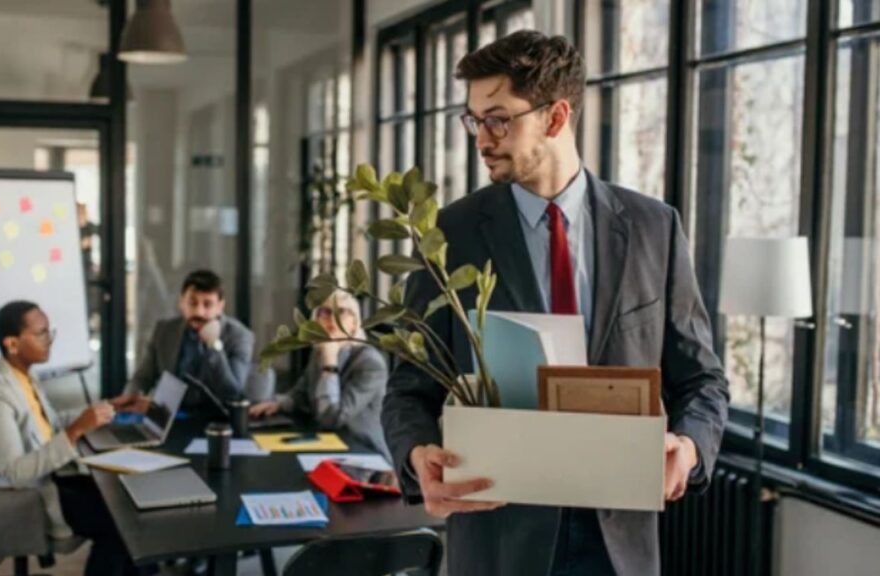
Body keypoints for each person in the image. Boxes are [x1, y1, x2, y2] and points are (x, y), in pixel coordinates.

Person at [382, 31, 729, 576]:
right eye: (473, 120)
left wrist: (688, 447)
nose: (482, 138)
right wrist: (416, 453)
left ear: (556, 116)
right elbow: (408, 386)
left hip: (618, 544)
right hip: (498, 537)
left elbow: (702, 379)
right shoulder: (450, 232)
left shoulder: (653, 228)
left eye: (499, 119)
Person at [0, 301, 142, 576]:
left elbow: (49, 423)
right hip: (13, 496)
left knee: (123, 502)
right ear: (12, 343)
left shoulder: (22, 375)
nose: (50, 340)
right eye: (41, 333)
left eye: (48, 331)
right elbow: (17, 472)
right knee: (118, 524)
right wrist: (77, 430)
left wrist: (109, 407)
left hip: (47, 476)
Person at [249, 290, 390, 458]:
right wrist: (278, 403)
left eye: (341, 312)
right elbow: (302, 393)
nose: (332, 318)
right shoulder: (321, 350)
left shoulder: (370, 363)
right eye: (325, 312)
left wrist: (329, 366)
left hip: (364, 455)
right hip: (328, 445)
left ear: (355, 323)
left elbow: (332, 418)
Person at [116, 269, 254, 415]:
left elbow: (233, 393)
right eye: (192, 303)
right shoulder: (164, 331)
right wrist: (130, 401)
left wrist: (214, 345)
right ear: (181, 302)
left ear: (220, 307)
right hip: (167, 415)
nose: (199, 312)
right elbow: (142, 378)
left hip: (215, 421)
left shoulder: (240, 336)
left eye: (207, 305)